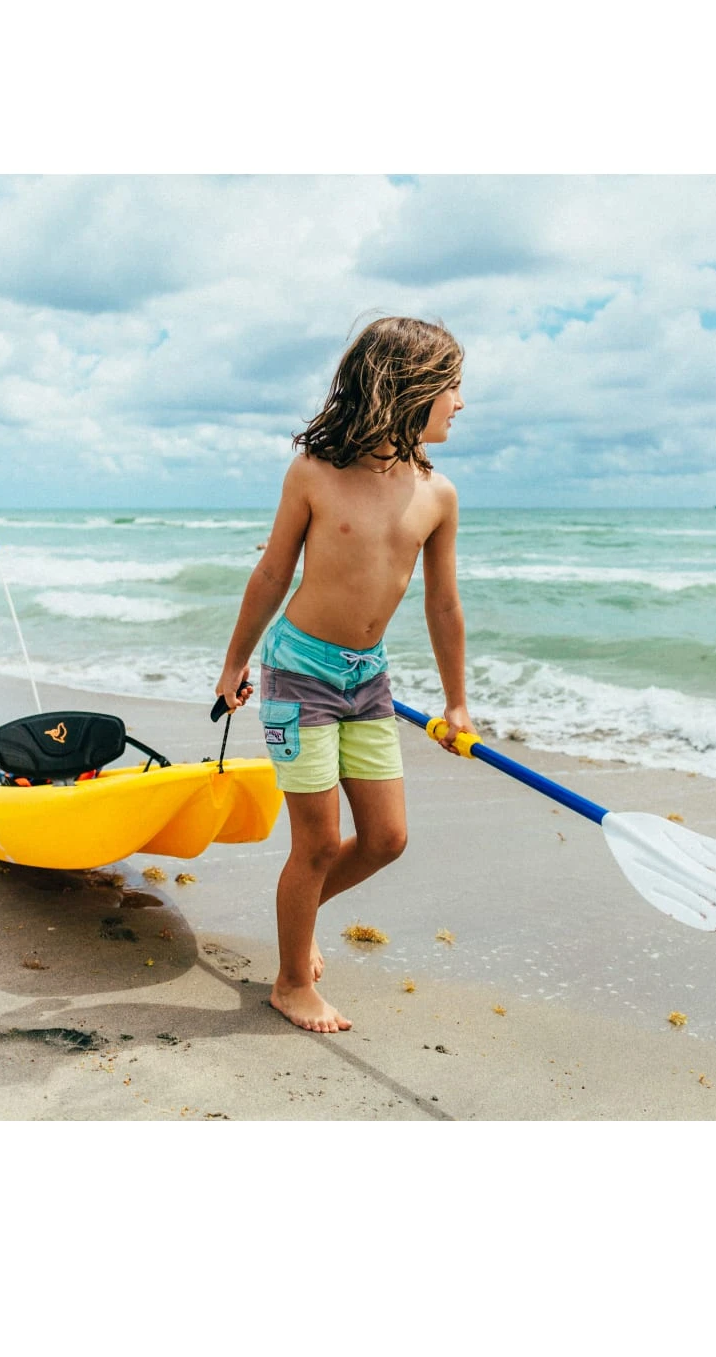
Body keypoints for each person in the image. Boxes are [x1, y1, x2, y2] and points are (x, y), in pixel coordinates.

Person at [214, 316, 473, 1033]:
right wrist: (234, 663)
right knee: (320, 844)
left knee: (387, 838)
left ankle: (297, 915)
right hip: (298, 674)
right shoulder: (314, 474)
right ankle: (291, 981)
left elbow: (443, 604)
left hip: (369, 680)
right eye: (452, 386)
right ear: (407, 386)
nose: (460, 402)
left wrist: (456, 703)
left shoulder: (438, 494)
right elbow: (273, 573)